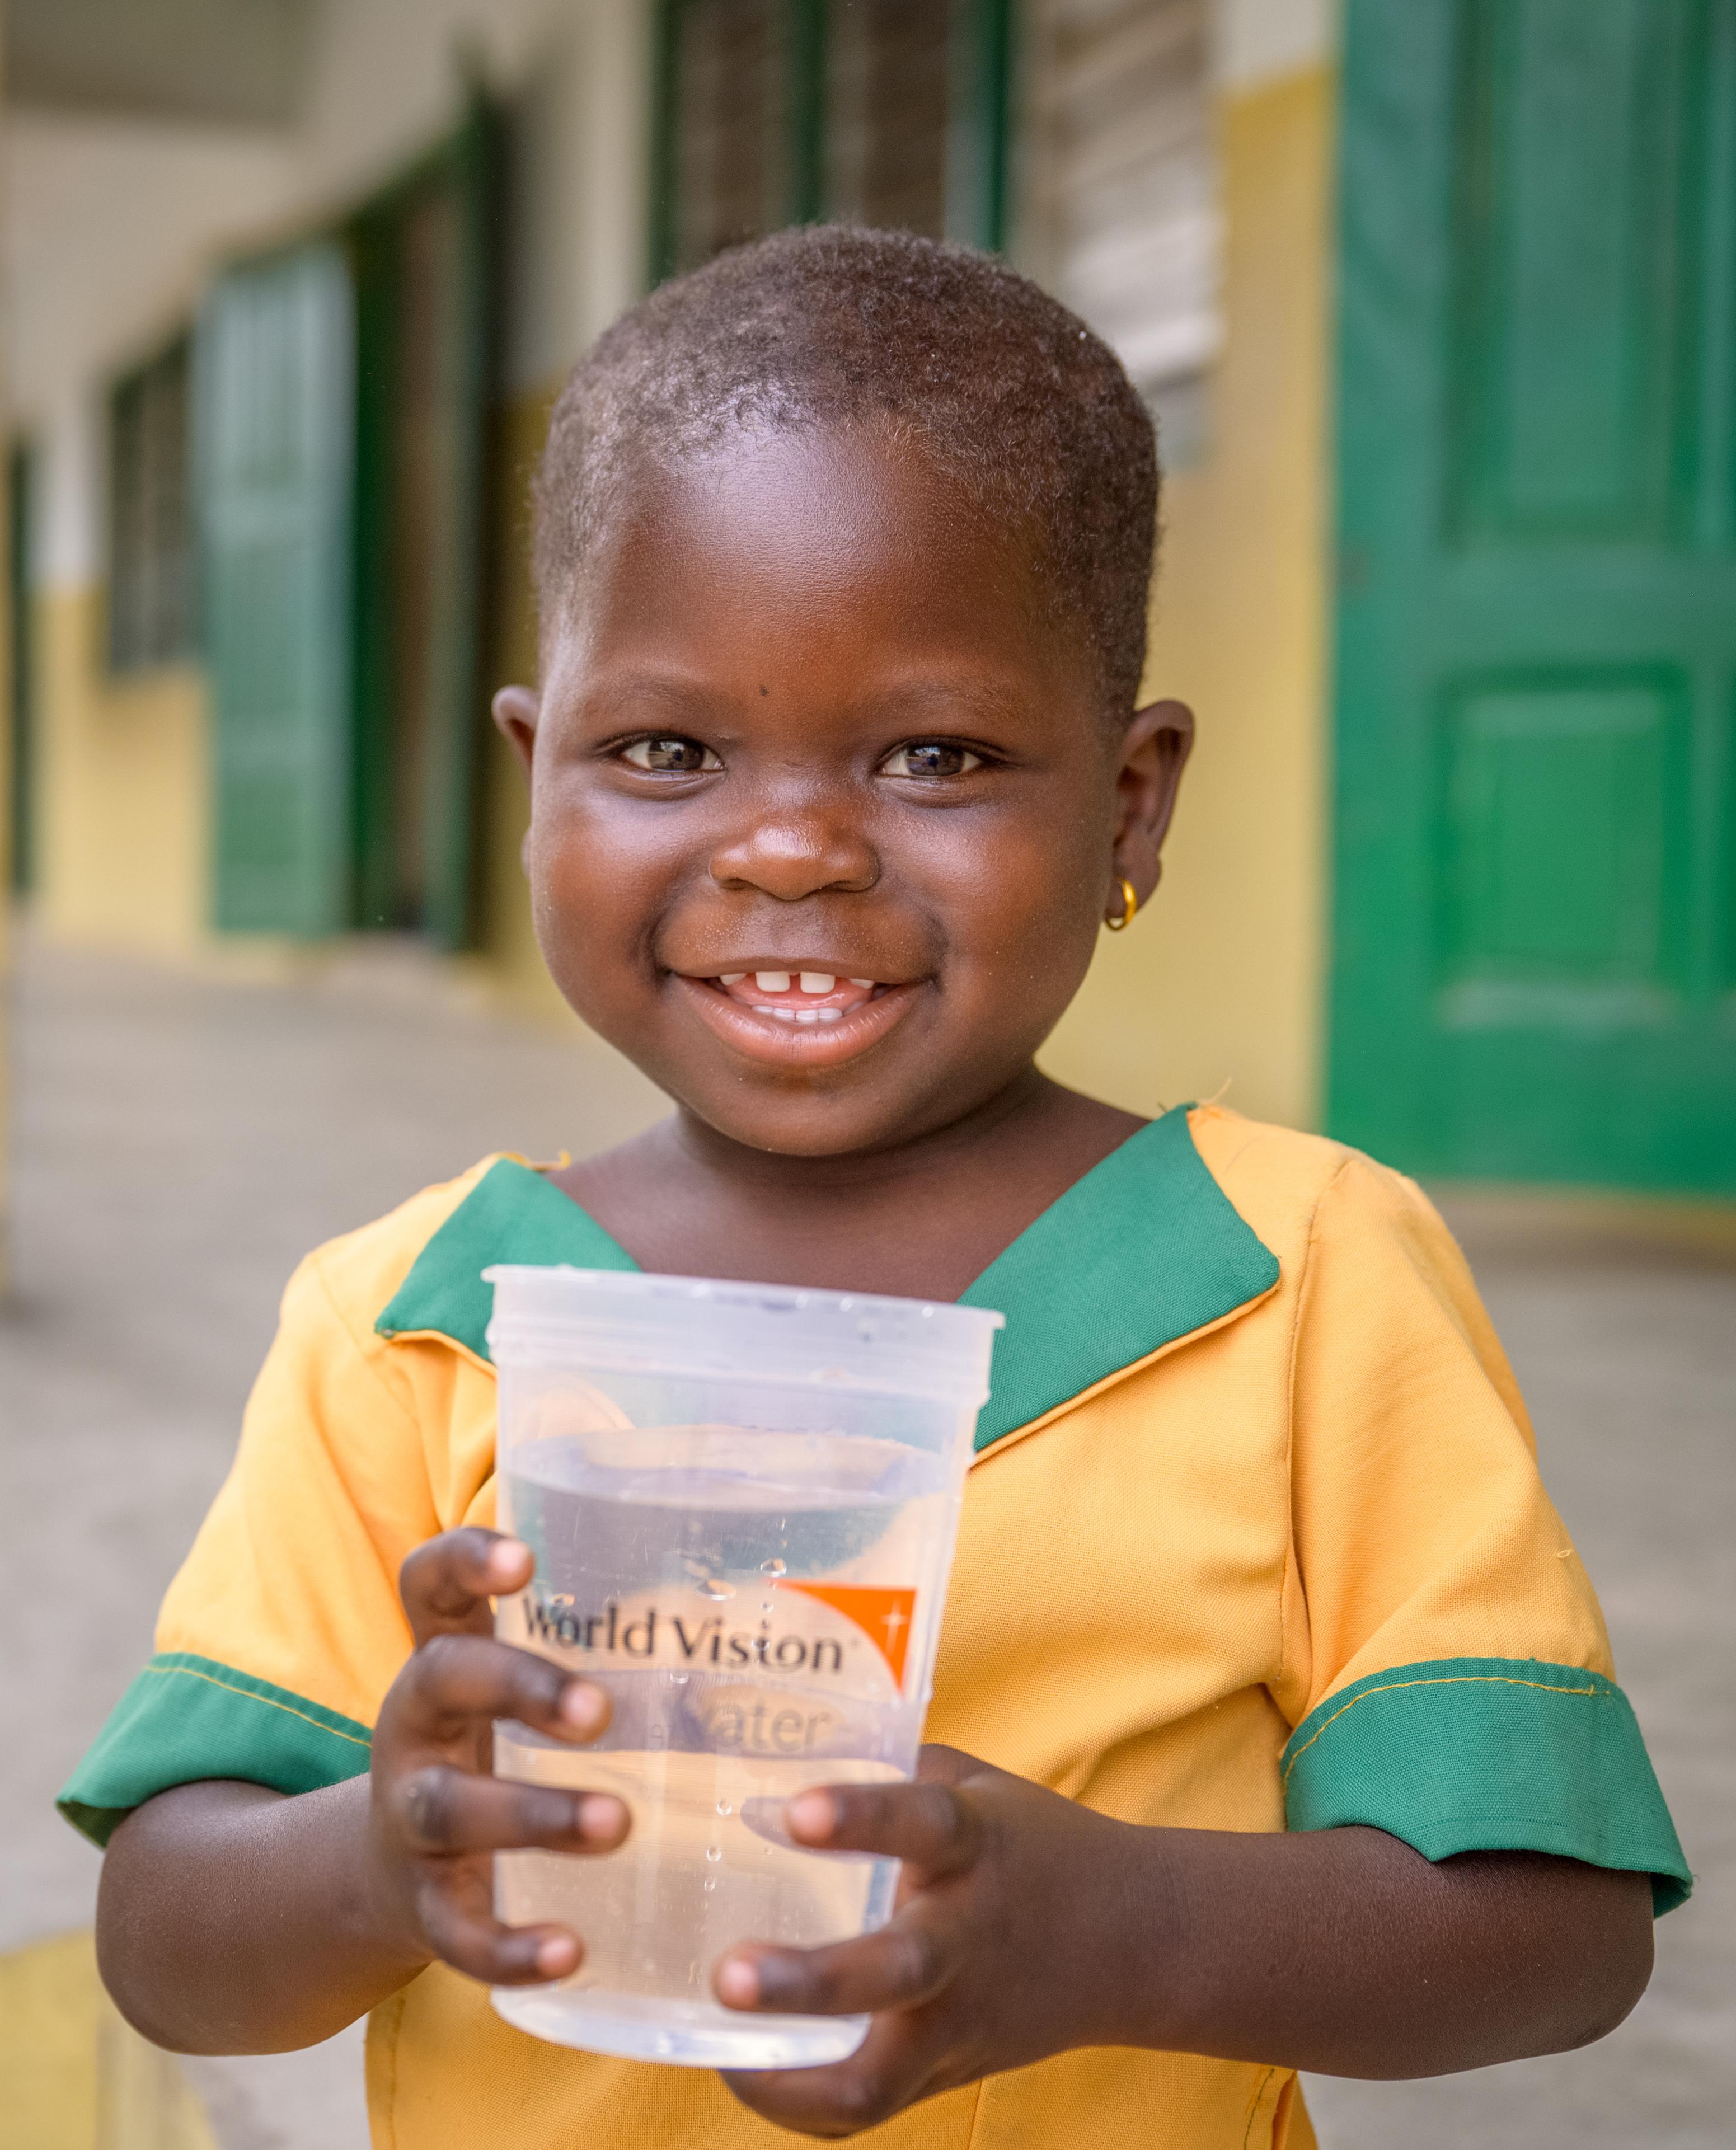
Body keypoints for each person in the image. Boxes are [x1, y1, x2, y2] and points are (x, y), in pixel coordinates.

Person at [64, 227, 1688, 2150]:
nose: (792, 851)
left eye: (936, 755)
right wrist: (372, 1856)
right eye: (665, 749)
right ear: (533, 776)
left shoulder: (1301, 1276)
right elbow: (168, 1944)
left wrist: (1126, 1932)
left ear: (1130, 804)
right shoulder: (415, 1322)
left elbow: (1555, 1933)